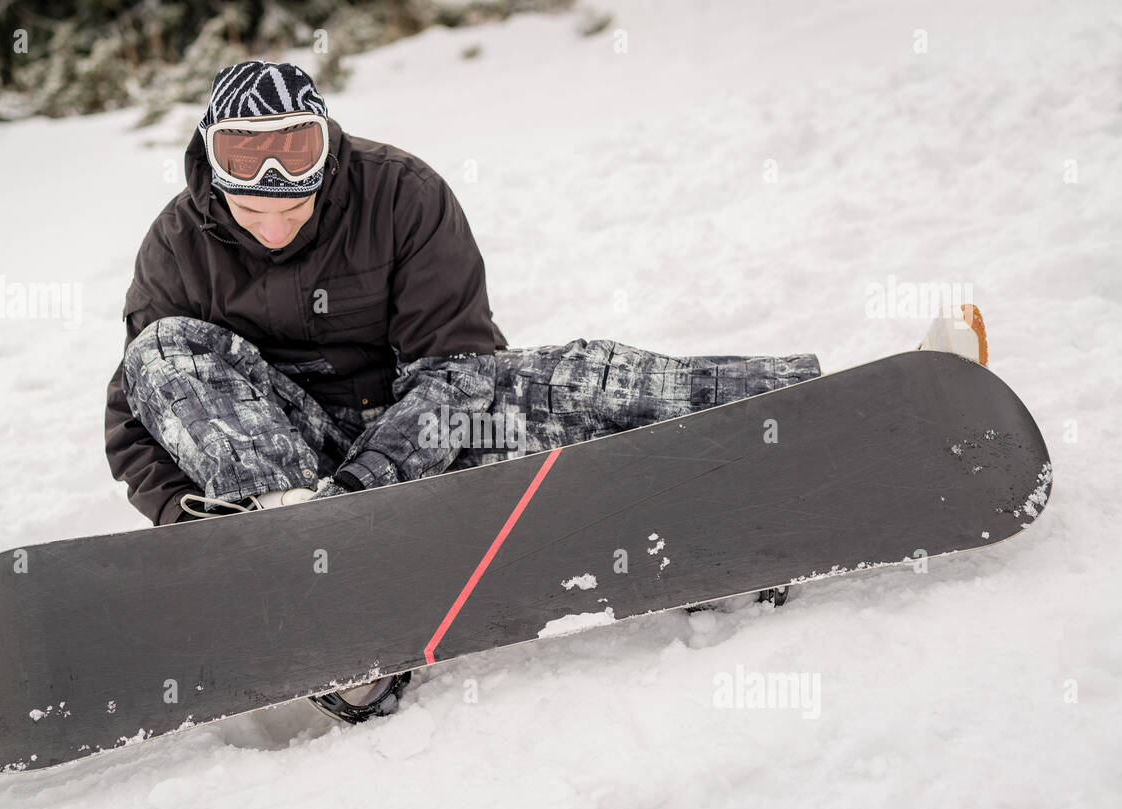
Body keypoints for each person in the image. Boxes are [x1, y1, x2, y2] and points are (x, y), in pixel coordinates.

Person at [105, 60, 986, 527]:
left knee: (591, 376)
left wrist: (371, 483)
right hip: (284, 472)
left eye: (295, 150)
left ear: (328, 144)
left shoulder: (401, 192)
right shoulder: (176, 246)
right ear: (209, 163)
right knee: (162, 351)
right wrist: (195, 525)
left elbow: (458, 367)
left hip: (419, 435)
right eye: (247, 158)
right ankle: (284, 542)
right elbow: (138, 414)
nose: (272, 181)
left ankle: (859, 401)